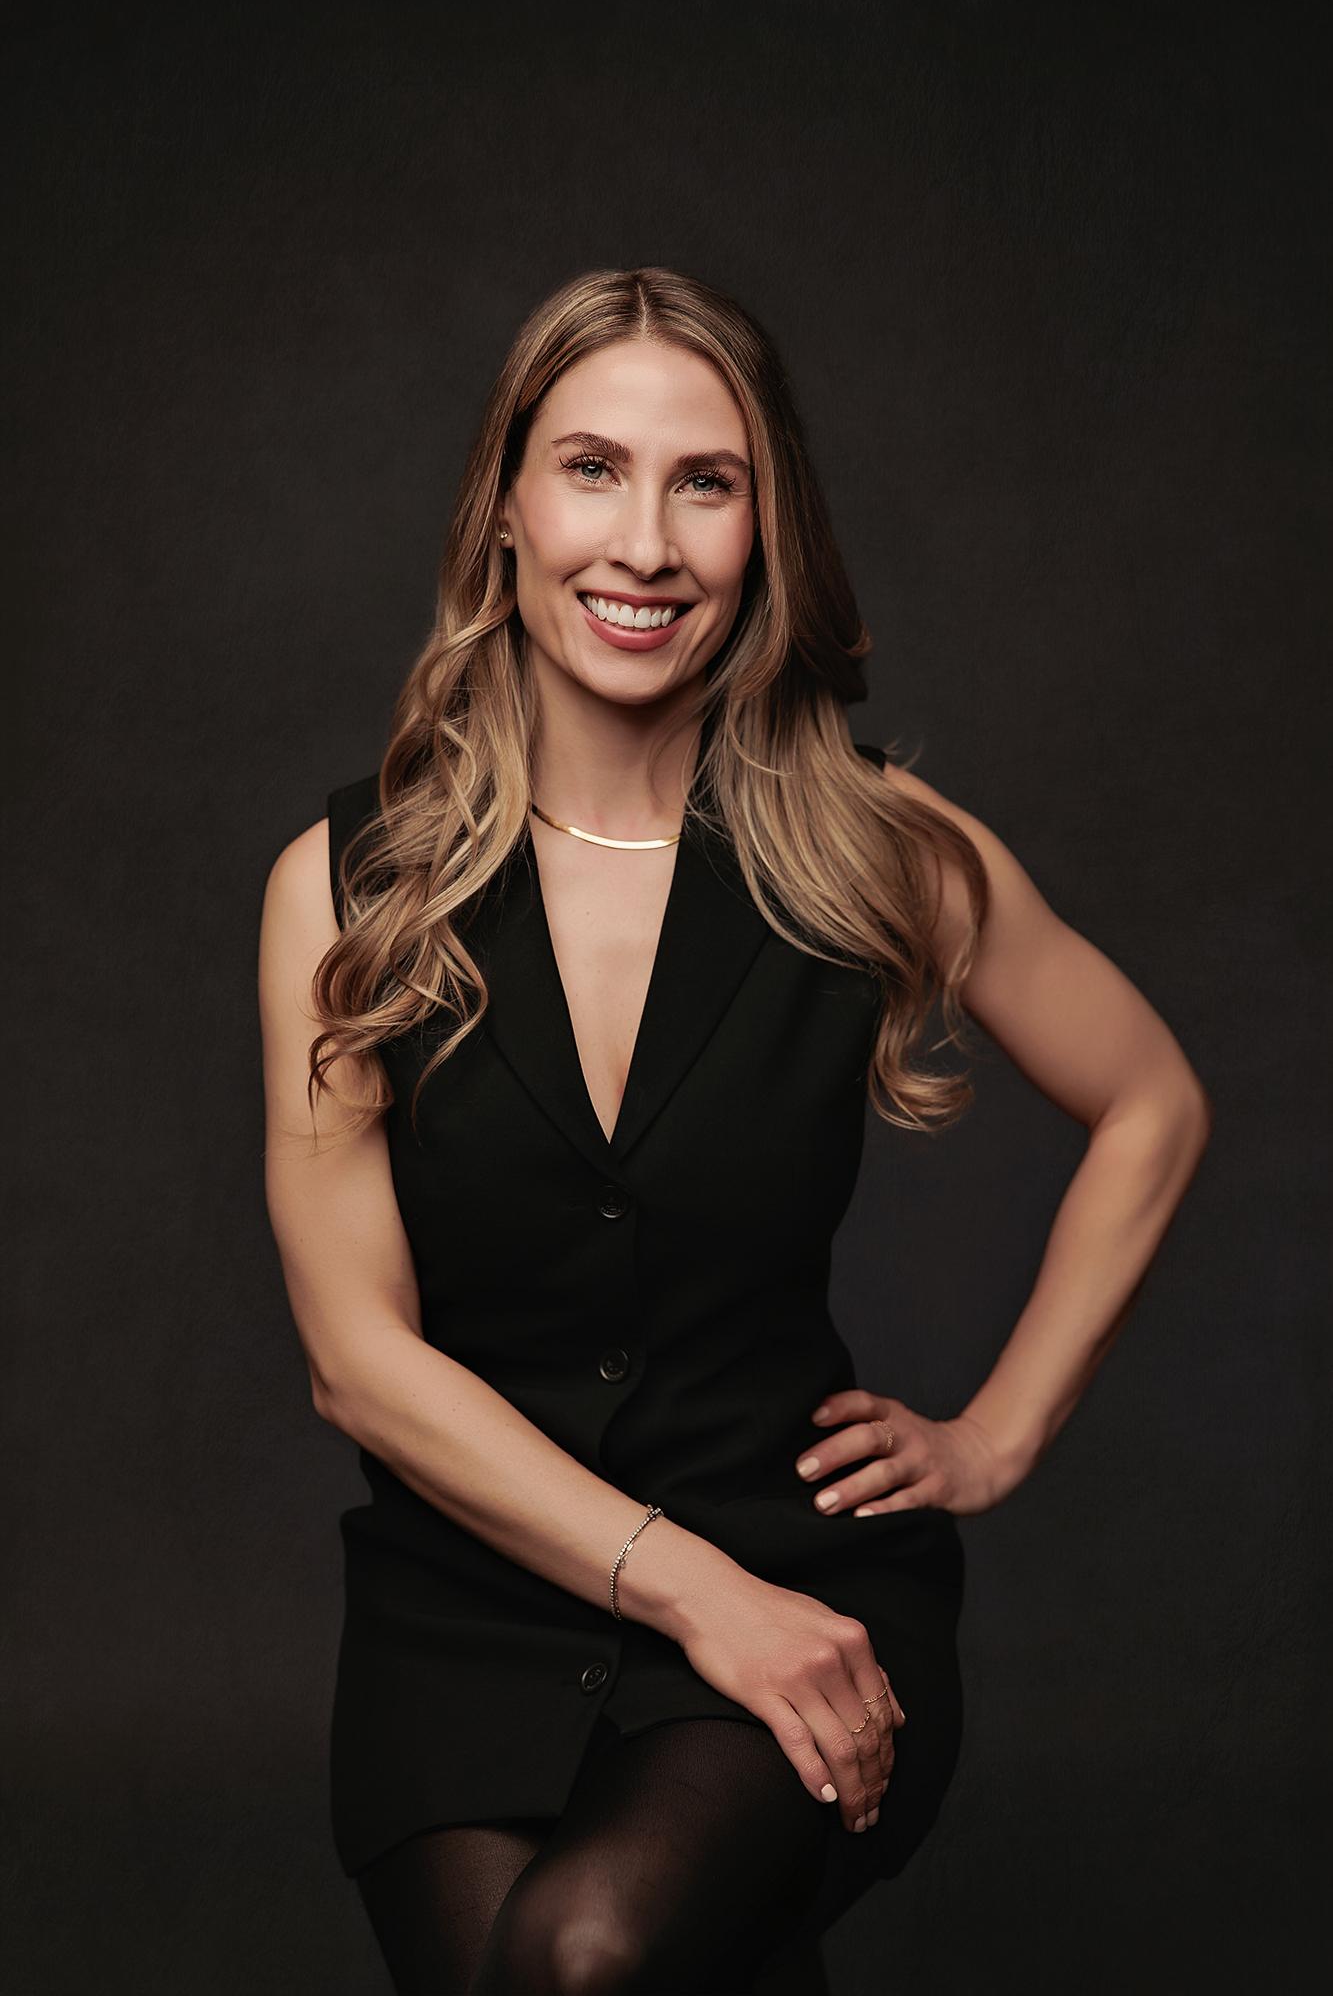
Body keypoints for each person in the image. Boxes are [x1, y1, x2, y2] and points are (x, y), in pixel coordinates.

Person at [258, 266, 1212, 1995]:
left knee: (584, 1959)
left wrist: (992, 1440)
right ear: (505, 511)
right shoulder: (349, 888)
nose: (644, 543)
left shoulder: (880, 853)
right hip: (463, 1612)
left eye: (705, 482)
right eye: (591, 469)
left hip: (800, 1579)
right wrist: (690, 1594)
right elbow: (355, 1362)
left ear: (767, 530)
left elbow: (1151, 1101)